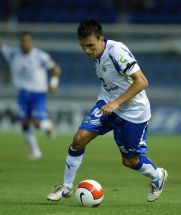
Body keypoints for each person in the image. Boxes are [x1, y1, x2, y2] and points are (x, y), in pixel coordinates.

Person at [47, 18, 167, 202]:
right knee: (78, 140)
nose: (87, 51)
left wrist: (116, 103)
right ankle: (66, 187)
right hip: (106, 105)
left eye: (90, 45)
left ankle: (158, 175)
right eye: (83, 47)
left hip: (133, 113)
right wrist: (111, 102)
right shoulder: (97, 54)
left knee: (130, 161)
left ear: (101, 39)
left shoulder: (116, 52)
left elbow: (142, 81)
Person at [0, 31, 61, 160]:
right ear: (20, 42)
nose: (25, 43)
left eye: (27, 41)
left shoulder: (40, 56)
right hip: (23, 93)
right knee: (24, 123)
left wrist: (53, 83)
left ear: (31, 42)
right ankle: (35, 152)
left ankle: (47, 125)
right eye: (22, 41)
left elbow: (56, 68)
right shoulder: (14, 54)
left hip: (38, 93)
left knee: (36, 122)